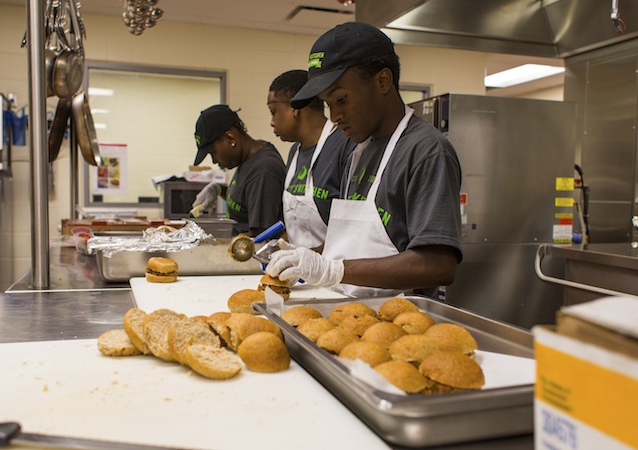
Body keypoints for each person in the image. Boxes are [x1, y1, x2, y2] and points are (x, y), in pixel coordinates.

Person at [266, 22, 463, 298]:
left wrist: (334, 270)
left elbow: (438, 264)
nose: (334, 116)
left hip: (395, 324)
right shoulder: (356, 148)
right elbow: (353, 249)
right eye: (328, 104)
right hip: (347, 311)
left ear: (382, 81)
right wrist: (307, 259)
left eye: (342, 100)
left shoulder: (425, 151)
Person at [267, 69, 355, 249]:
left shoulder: (344, 145)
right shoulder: (295, 152)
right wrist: (277, 248)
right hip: (298, 271)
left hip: (334, 271)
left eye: (274, 111)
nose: (271, 121)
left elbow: (351, 233)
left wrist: (308, 260)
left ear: (295, 109)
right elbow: (296, 228)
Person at [191, 104, 285, 237]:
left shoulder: (263, 170)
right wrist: (219, 189)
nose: (214, 161)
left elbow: (260, 238)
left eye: (213, 153)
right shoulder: (248, 160)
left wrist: (215, 244)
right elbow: (246, 200)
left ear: (230, 138)